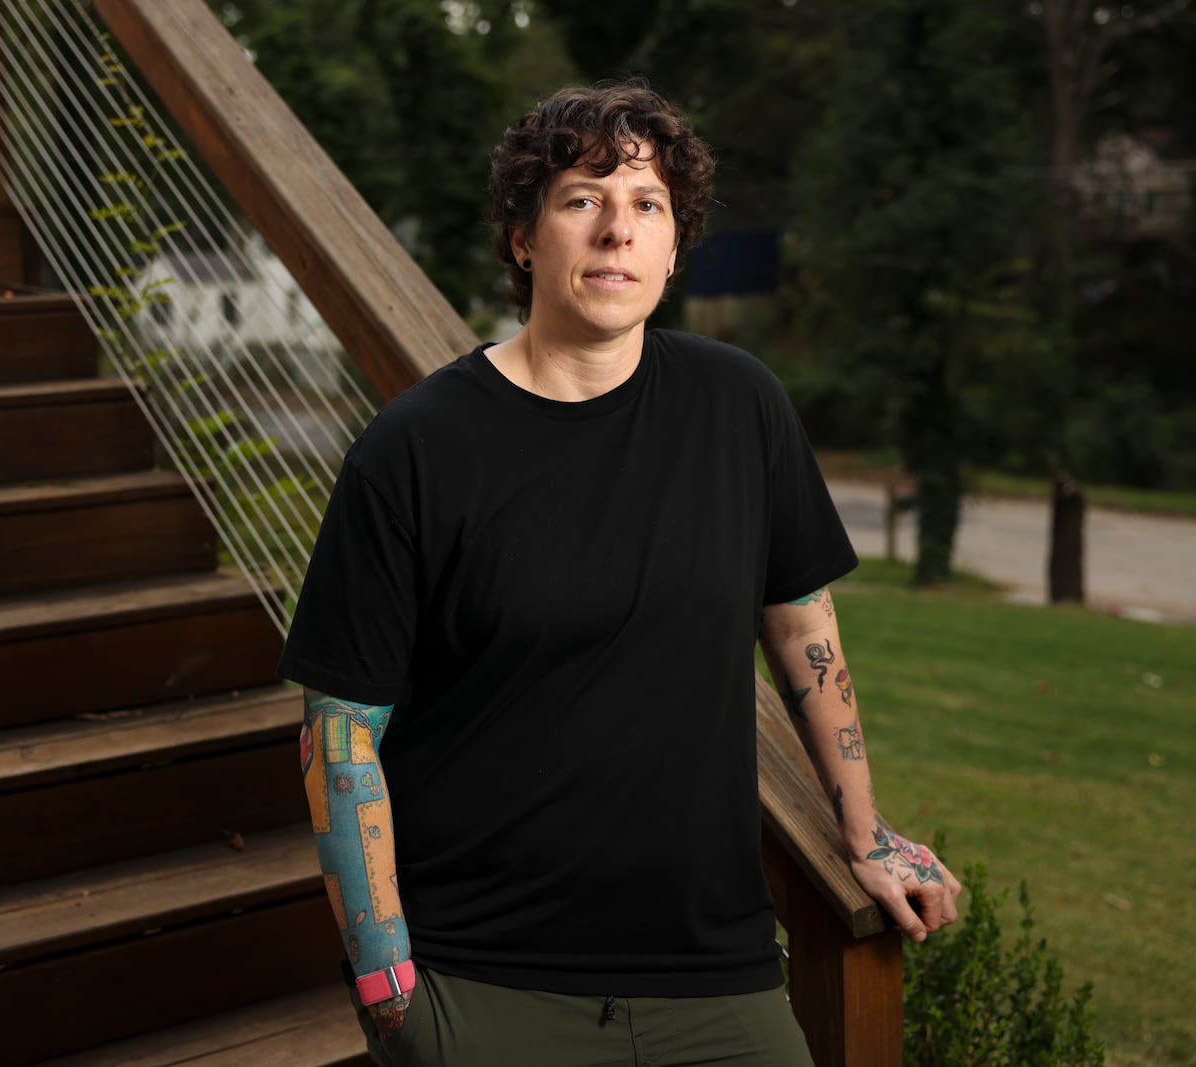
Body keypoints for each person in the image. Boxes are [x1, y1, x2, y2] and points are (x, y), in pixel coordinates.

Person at [279, 80, 961, 1067]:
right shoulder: (417, 446)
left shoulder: (740, 407)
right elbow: (340, 727)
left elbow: (802, 625)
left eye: (646, 205)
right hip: (484, 980)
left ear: (674, 246)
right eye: (580, 199)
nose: (616, 231)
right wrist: (388, 986)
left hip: (715, 971)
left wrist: (866, 830)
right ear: (523, 238)